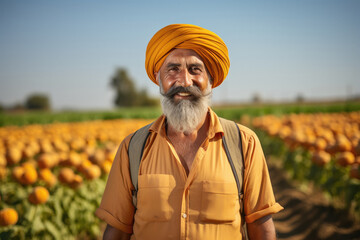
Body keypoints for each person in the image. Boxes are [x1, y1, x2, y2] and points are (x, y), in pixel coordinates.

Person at [95, 23, 283, 240]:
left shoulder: (244, 144)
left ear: (210, 80)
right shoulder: (133, 148)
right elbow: (117, 231)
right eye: (173, 69)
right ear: (159, 78)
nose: (184, 81)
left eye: (195, 69)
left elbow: (261, 228)